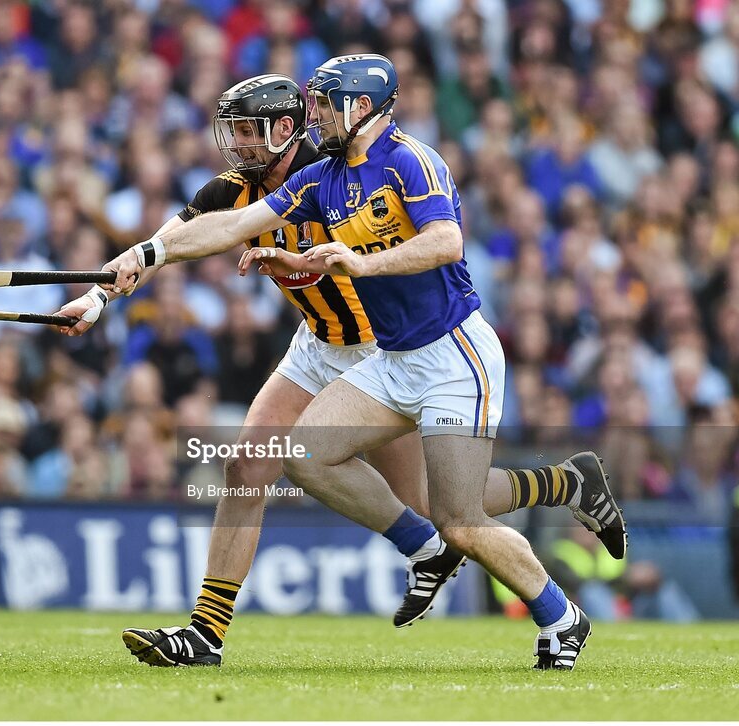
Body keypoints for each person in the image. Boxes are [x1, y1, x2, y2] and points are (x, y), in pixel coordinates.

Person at [64, 71, 625, 669]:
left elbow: (439, 239)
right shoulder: (263, 185)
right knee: (254, 460)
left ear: (288, 128)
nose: (239, 146)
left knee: (443, 502)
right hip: (322, 345)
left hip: (391, 344)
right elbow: (185, 236)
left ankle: (559, 489)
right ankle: (207, 633)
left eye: (251, 132)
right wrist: (101, 293)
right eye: (234, 133)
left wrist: (352, 262)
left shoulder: (351, 161)